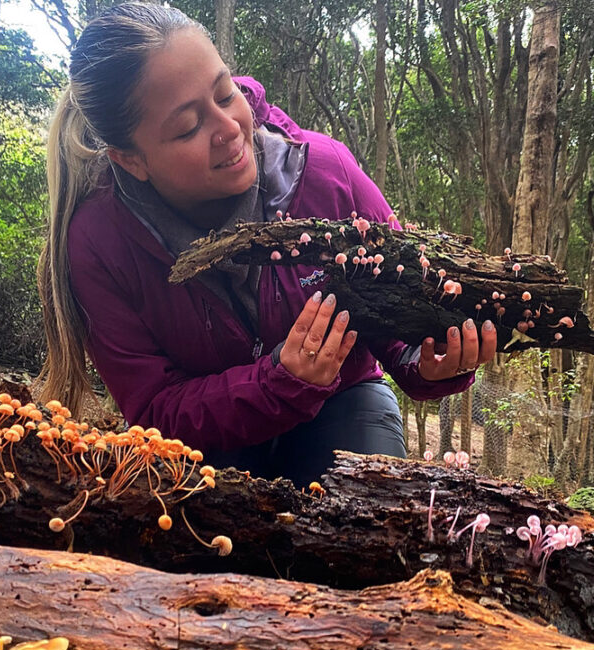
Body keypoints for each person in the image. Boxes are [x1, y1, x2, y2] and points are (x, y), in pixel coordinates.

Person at [37, 2, 497, 486]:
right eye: (189, 127)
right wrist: (277, 381)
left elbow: (397, 322)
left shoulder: (326, 174)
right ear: (131, 160)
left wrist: (430, 361)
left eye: (225, 92)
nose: (229, 127)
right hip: (200, 436)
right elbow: (151, 407)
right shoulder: (97, 242)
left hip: (341, 401)